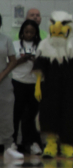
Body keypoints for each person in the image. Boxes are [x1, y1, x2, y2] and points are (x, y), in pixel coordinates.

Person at [9, 20, 41, 158]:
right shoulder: (15, 45)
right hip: (17, 82)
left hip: (34, 84)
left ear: (36, 33)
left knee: (31, 115)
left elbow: (44, 66)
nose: (29, 34)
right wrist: (20, 60)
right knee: (15, 114)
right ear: (22, 32)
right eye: (26, 32)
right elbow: (8, 64)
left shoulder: (40, 46)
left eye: (32, 32)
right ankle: (12, 142)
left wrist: (35, 61)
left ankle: (31, 142)